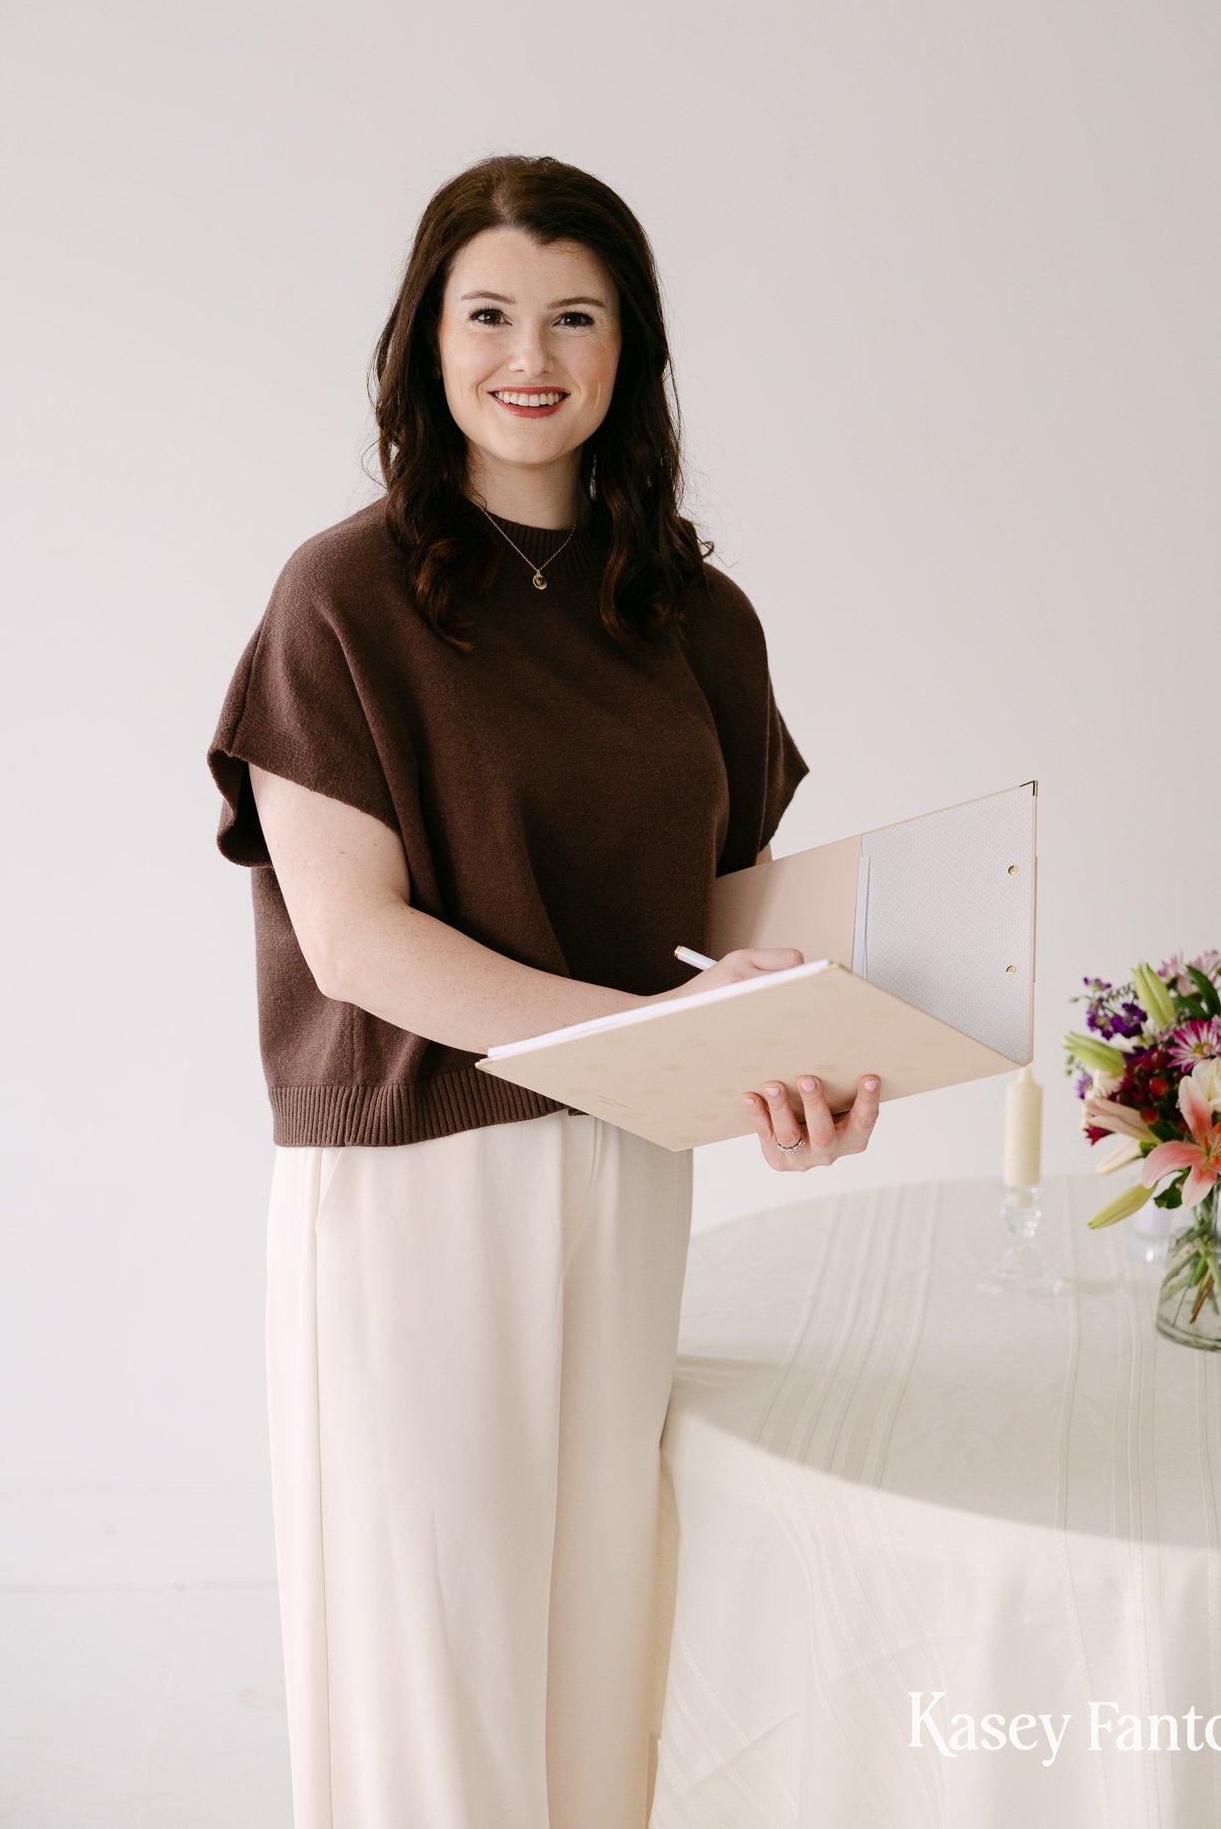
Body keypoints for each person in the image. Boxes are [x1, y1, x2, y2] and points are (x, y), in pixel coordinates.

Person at [206, 152, 881, 1829]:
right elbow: (357, 942)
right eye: (490, 311)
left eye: (576, 315)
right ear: (424, 342)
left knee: (602, 1637)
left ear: (628, 351)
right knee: (429, 1653)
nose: (532, 352)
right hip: (412, 1181)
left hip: (623, 1164)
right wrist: (664, 1048)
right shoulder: (340, 594)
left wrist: (800, 1052)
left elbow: (715, 912)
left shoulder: (692, 612)